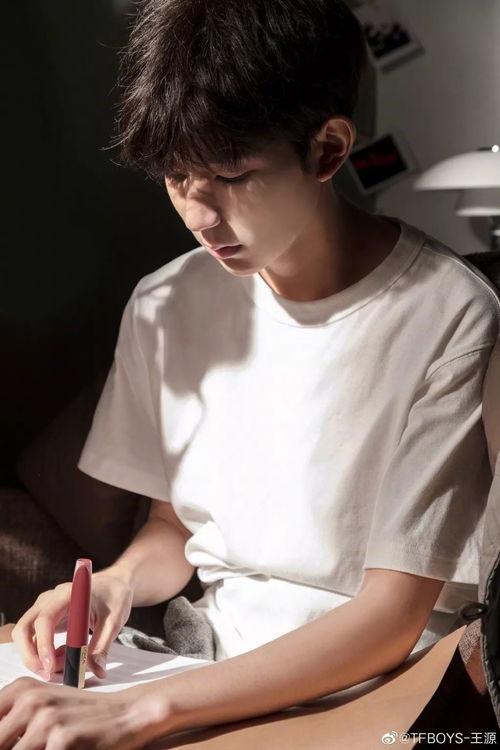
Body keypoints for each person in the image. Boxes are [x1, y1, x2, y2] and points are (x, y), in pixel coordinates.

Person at [2, 0, 500, 746]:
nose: (199, 215)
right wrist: (114, 584)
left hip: (380, 690)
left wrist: (141, 711)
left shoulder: (451, 316)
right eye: (177, 177)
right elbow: (175, 528)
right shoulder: (166, 304)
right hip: (204, 662)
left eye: (231, 174)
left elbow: (391, 617)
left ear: (327, 150)